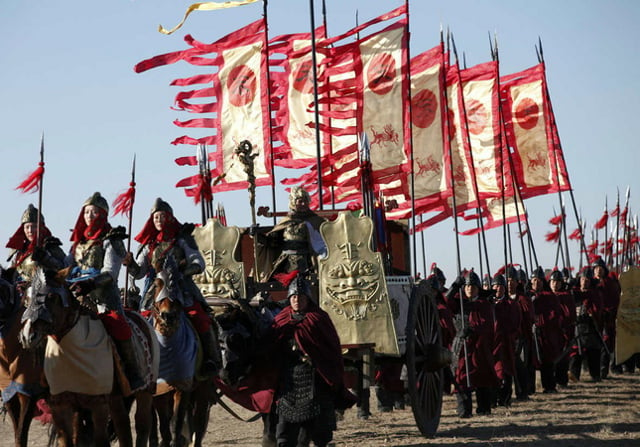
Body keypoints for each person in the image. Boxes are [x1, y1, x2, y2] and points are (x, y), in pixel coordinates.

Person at [124, 197, 220, 377]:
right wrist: (130, 265)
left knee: (200, 317)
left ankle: (210, 359)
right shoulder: (148, 244)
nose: (158, 220)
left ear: (169, 217)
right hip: (155, 288)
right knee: (140, 321)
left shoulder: (182, 239)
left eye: (161, 216)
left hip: (181, 287)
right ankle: (138, 363)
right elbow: (139, 272)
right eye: (155, 218)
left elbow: (198, 262)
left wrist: (184, 269)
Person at [65, 192, 144, 390]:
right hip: (76, 297)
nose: (90, 216)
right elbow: (65, 267)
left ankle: (132, 372)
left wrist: (91, 283)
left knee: (120, 327)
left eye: (94, 212)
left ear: (103, 214)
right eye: (87, 212)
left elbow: (111, 272)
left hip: (103, 299)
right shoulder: (78, 243)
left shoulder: (112, 239)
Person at [271, 273, 355, 447]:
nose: (296, 300)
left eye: (300, 297)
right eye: (293, 297)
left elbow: (331, 350)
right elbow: (270, 343)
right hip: (288, 381)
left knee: (318, 431)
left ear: (308, 298)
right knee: (284, 433)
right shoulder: (282, 319)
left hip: (315, 378)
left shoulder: (318, 318)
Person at [446, 270, 498, 417]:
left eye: (473, 286)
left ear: (478, 288)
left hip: (480, 347)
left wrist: (474, 330)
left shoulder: (484, 304)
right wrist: (454, 287)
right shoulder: (458, 303)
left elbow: (487, 324)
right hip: (461, 346)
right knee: (462, 378)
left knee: (482, 376)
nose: (470, 289)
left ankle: (484, 408)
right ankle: (465, 411)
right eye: (467, 286)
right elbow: (444, 302)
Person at [255, 187, 327, 289]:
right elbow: (272, 242)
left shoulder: (316, 221)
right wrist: (257, 235)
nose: (303, 204)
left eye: (305, 201)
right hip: (286, 263)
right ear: (293, 202)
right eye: (300, 201)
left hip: (308, 262)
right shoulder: (285, 221)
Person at [5, 204, 65, 298]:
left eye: (33, 227)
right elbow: (9, 274)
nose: (30, 230)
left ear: (41, 228)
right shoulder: (18, 251)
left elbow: (64, 267)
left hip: (47, 291)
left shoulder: (50, 246)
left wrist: (46, 258)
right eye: (27, 227)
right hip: (21, 291)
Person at [529, 266, 564, 393]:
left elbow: (554, 315)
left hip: (546, 334)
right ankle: (530, 389)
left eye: (538, 280)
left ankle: (549, 386)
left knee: (547, 362)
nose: (536, 283)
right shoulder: (528, 296)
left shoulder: (549, 297)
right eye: (533, 280)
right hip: (531, 335)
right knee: (530, 363)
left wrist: (540, 322)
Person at [569, 267, 604, 382]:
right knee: (575, 353)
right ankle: (574, 377)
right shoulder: (574, 293)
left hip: (590, 327)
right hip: (577, 328)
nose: (585, 282)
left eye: (587, 280)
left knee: (593, 352)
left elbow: (597, 310)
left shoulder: (595, 294)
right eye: (583, 279)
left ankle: (596, 376)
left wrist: (591, 314)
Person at [491, 273, 521, 407]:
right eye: (495, 286)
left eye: (500, 286)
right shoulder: (488, 303)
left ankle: (505, 399)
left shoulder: (511, 304)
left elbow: (515, 323)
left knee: (505, 370)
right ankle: (492, 399)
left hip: (504, 343)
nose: (497, 289)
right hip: (490, 344)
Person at [591, 257, 621, 377]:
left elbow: (615, 300)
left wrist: (609, 312)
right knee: (594, 344)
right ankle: (595, 370)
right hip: (593, 320)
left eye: (600, 268)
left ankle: (604, 369)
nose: (598, 270)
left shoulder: (610, 284)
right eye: (596, 268)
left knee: (606, 342)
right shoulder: (590, 283)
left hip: (608, 318)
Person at [549, 268, 576, 387]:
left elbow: (569, 315)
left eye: (557, 282)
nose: (555, 284)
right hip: (550, 333)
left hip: (563, 332)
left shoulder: (566, 296)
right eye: (553, 281)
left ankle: (562, 381)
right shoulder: (546, 296)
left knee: (563, 357)